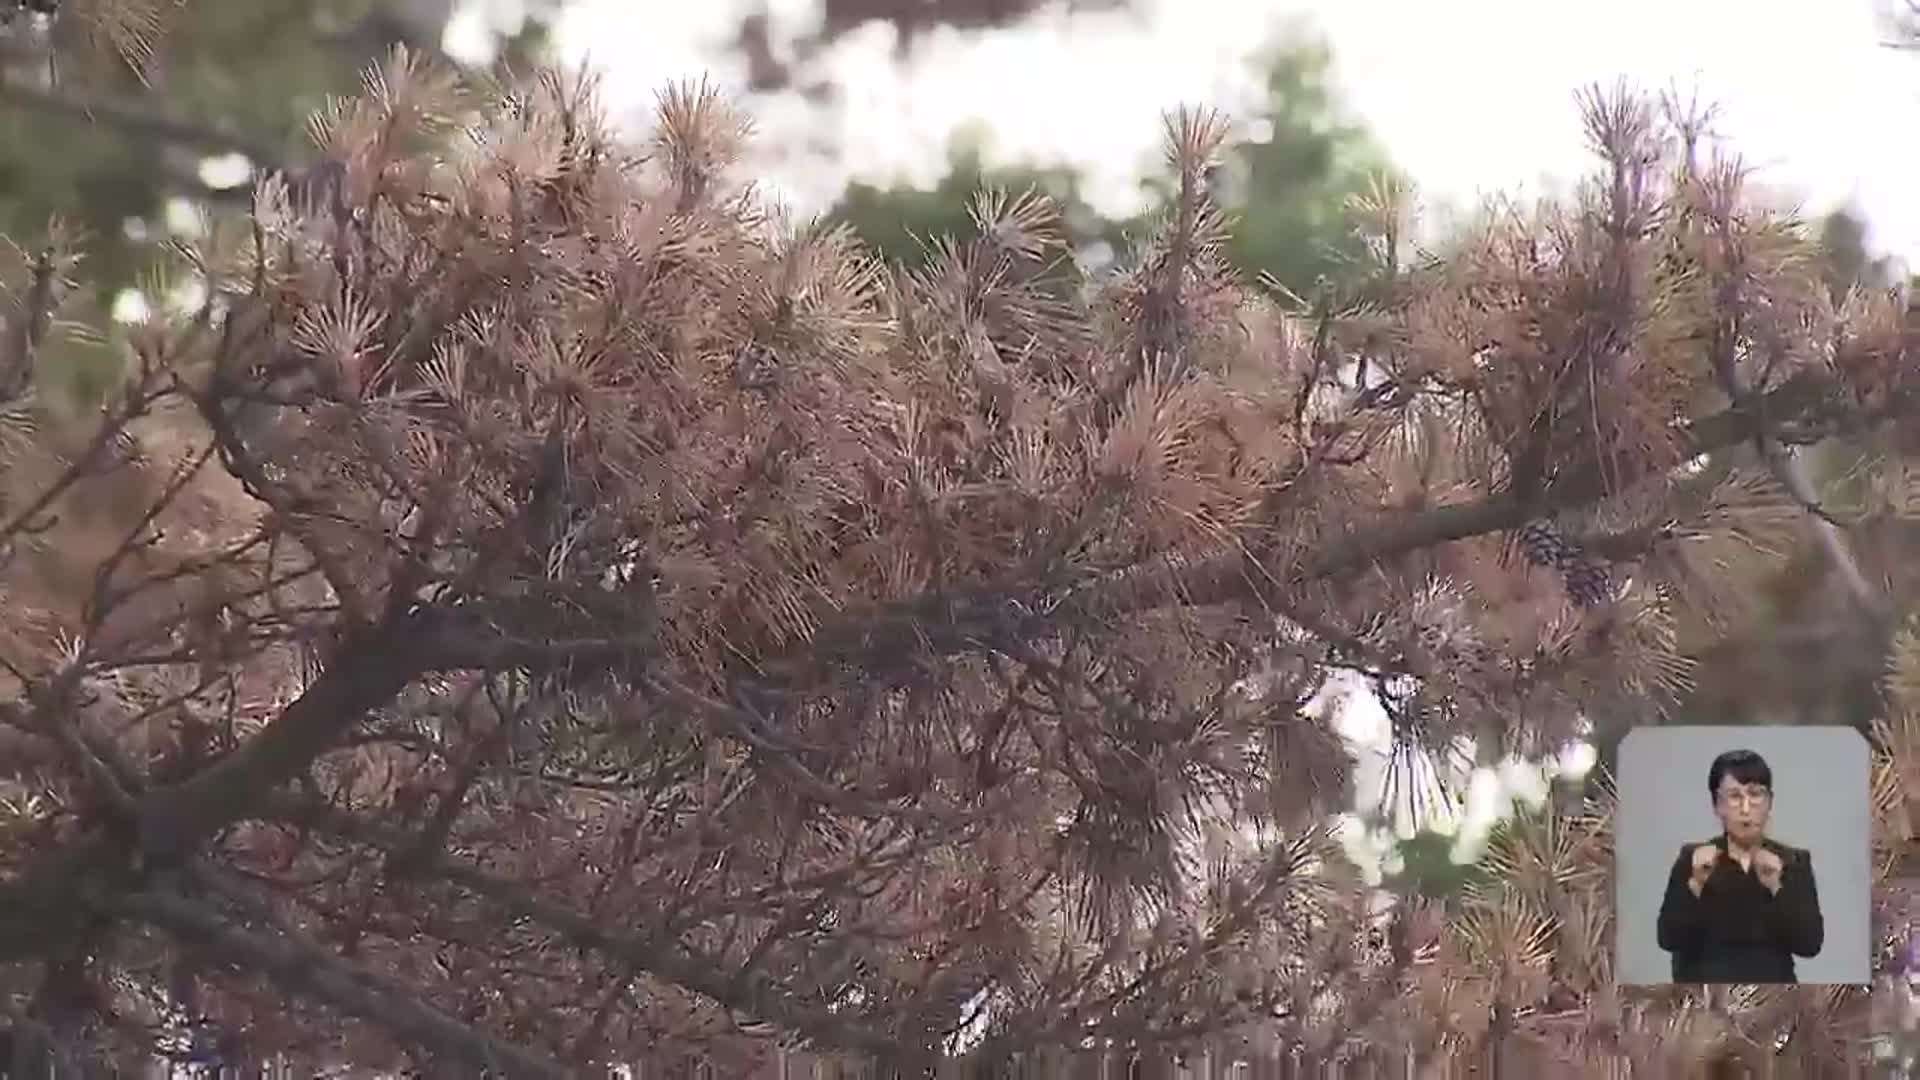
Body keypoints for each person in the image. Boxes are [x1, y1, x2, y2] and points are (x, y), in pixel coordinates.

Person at [1656, 748, 1824, 983]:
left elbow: (1810, 944)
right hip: (1704, 998)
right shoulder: (1693, 859)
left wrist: (1777, 888)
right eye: (1735, 796)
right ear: (1717, 805)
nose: (1746, 809)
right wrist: (1696, 883)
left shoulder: (1793, 861)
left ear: (1769, 802)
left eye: (1755, 794)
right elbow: (1668, 938)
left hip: (1772, 998)